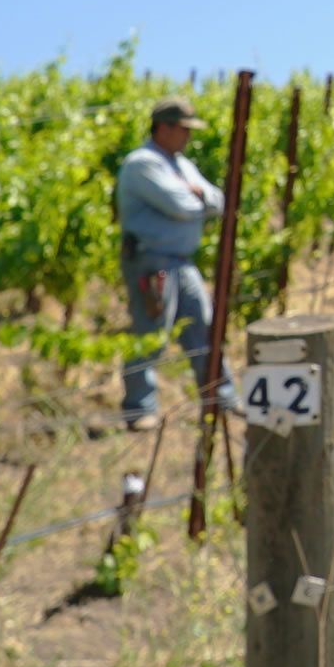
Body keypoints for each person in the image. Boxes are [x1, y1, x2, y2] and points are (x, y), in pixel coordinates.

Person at [116, 96, 226, 431]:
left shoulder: (180, 164)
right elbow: (181, 205)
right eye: (183, 129)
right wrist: (197, 197)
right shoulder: (143, 163)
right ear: (163, 128)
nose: (188, 137)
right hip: (151, 261)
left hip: (181, 260)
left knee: (203, 327)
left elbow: (219, 201)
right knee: (151, 334)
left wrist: (199, 196)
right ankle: (139, 409)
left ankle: (220, 398)